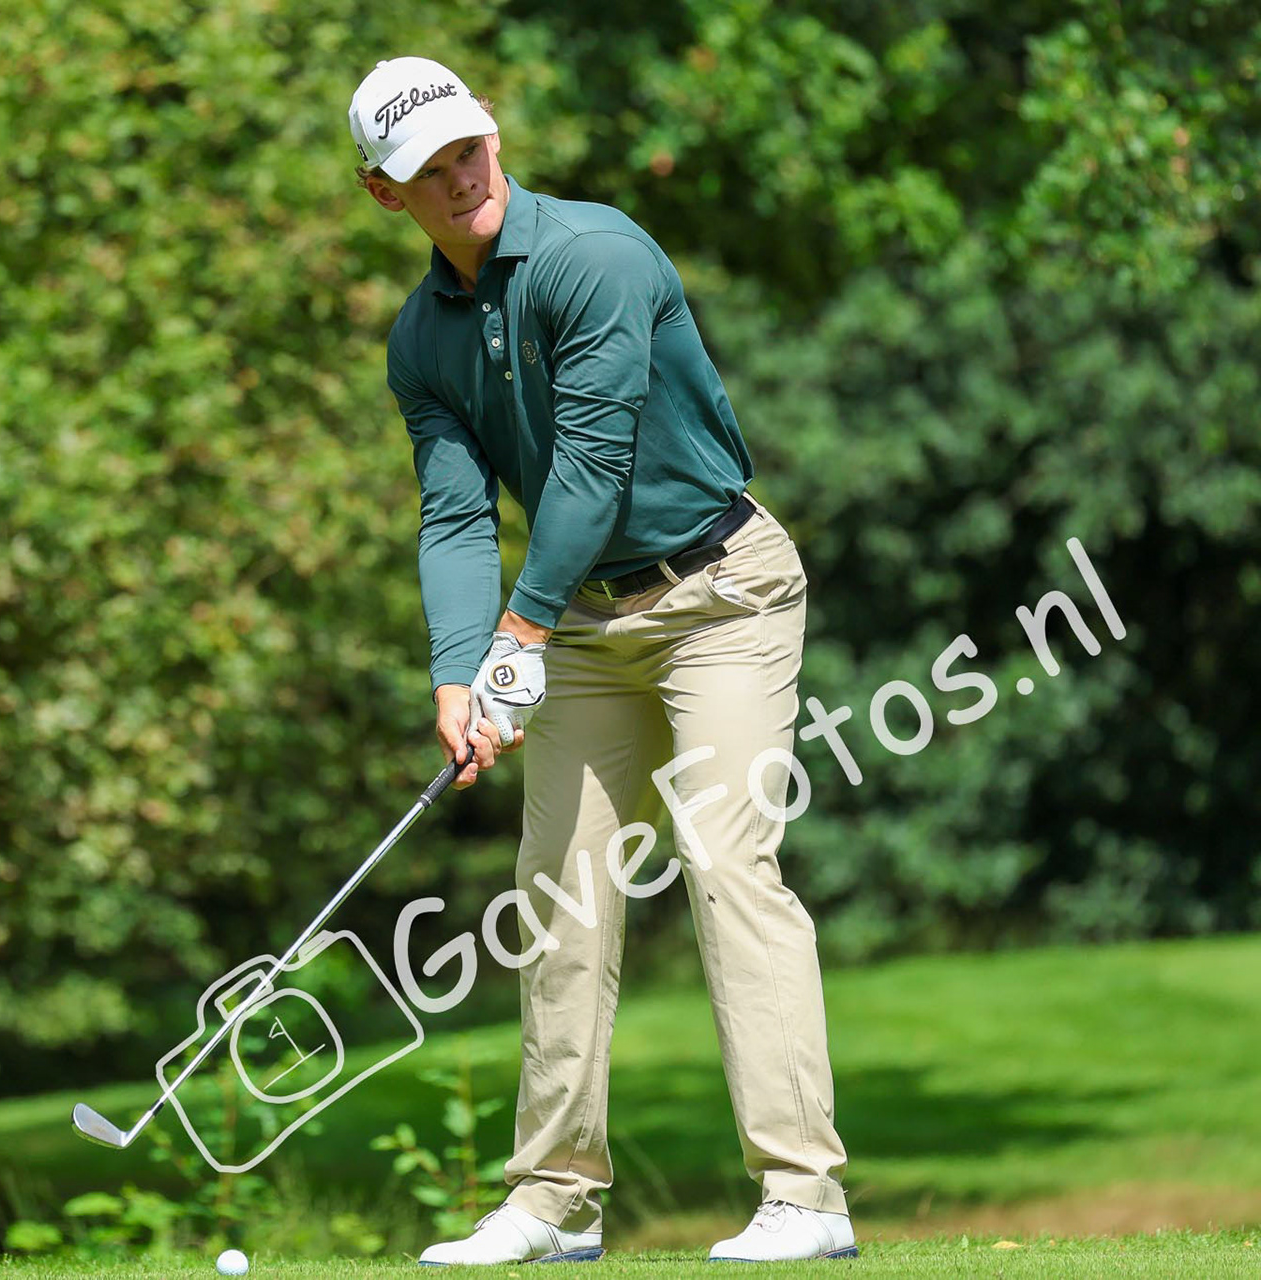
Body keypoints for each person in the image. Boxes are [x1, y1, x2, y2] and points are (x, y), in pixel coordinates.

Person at [346, 57, 857, 1265]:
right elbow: (458, 516)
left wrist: (518, 634)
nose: (462, 174)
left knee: (727, 861)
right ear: (384, 192)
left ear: (493, 133)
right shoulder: (422, 339)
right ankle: (555, 1198)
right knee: (557, 894)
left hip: (722, 591)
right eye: (429, 167)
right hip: (581, 622)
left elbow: (593, 467)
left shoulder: (598, 254)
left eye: (468, 145)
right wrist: (459, 673)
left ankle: (805, 1196)